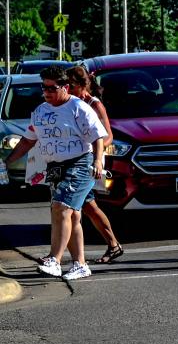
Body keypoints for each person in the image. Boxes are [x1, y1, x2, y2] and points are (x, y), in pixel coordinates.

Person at [4, 66, 109, 281]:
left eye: (52, 87)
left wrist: (98, 160)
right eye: (44, 87)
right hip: (56, 168)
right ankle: (80, 264)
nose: (47, 92)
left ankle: (55, 259)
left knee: (62, 207)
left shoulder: (79, 108)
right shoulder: (40, 111)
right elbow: (27, 141)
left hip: (80, 163)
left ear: (65, 87)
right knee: (71, 215)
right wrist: (7, 161)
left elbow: (98, 136)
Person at [62, 66, 125, 264]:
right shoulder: (70, 103)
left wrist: (92, 149)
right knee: (85, 205)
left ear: (82, 85)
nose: (68, 89)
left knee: (74, 205)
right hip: (73, 160)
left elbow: (108, 136)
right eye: (66, 86)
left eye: (71, 86)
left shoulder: (94, 105)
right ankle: (112, 245)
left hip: (89, 160)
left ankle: (59, 254)